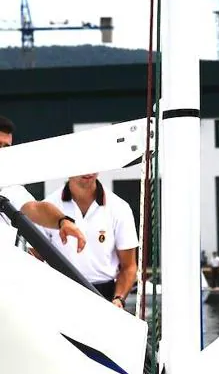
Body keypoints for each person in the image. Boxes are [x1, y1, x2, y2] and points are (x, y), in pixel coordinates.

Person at [38, 173, 139, 308]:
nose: (88, 171)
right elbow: (33, 259)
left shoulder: (119, 208)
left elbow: (129, 267)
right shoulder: (47, 206)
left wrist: (119, 298)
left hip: (105, 296)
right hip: (60, 295)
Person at [0, 115, 86, 251]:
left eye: (6, 147)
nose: (2, 152)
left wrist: (63, 221)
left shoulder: (9, 188)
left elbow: (34, 208)